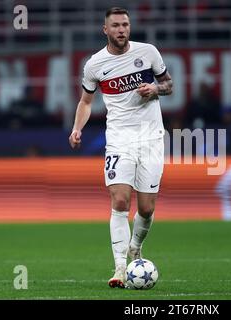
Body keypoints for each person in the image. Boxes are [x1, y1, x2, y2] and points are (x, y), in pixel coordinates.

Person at [68, 7, 173, 289]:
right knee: (120, 202)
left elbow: (169, 85)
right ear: (106, 30)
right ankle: (120, 267)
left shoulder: (148, 52)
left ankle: (136, 247)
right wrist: (77, 128)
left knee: (147, 208)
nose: (121, 29)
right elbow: (86, 102)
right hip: (119, 139)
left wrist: (155, 89)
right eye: (115, 25)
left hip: (151, 138)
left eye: (125, 24)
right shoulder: (95, 65)